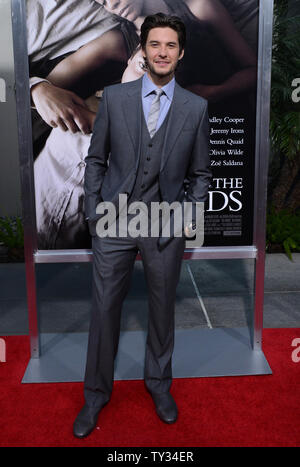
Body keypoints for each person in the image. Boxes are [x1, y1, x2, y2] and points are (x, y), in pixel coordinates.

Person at [73, 12, 211, 438]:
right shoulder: (114, 97)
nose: (162, 52)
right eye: (155, 44)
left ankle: (159, 385)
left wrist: (185, 216)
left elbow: (201, 175)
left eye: (170, 45)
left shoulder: (196, 107)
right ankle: (95, 395)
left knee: (161, 312)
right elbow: (96, 160)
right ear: (143, 50)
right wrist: (95, 210)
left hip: (164, 223)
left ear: (180, 52)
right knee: (104, 311)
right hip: (113, 220)